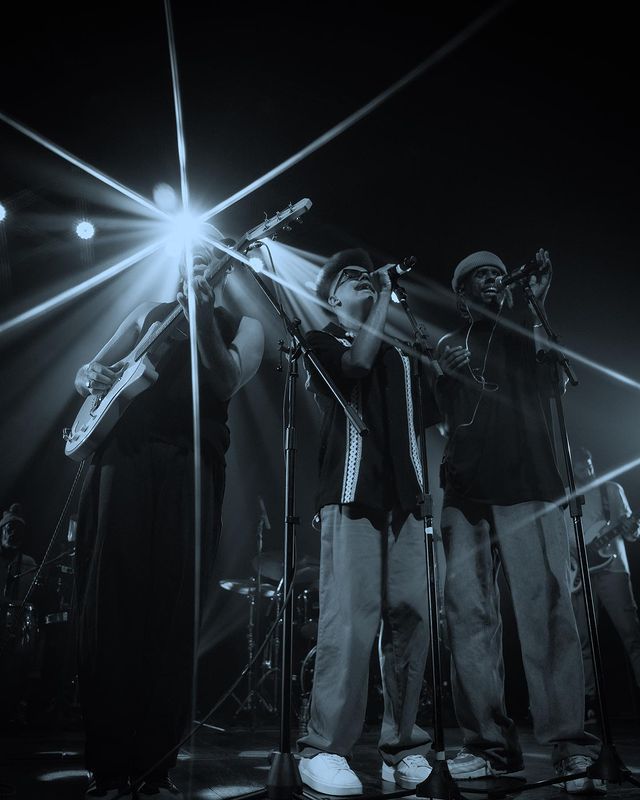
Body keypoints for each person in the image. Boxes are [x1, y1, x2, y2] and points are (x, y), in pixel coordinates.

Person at [74, 230, 264, 800]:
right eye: (191, 253)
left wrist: (203, 309)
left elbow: (225, 379)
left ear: (225, 268)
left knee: (172, 612)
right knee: (110, 608)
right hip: (120, 463)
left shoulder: (243, 325)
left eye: (208, 256)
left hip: (190, 465)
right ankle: (106, 767)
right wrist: (92, 378)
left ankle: (155, 767)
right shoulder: (146, 312)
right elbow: (87, 372)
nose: (197, 259)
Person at [434, 250, 602, 794]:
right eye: (477, 275)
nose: (490, 279)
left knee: (548, 608)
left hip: (531, 483)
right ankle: (486, 746)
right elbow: (440, 413)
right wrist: (443, 371)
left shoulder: (528, 327)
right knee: (469, 617)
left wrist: (539, 302)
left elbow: (555, 383)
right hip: (465, 491)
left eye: (494, 273)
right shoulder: (449, 341)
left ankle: (570, 747)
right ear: (461, 293)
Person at [297, 248, 440, 795]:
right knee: (351, 621)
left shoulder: (402, 357)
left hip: (405, 501)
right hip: (352, 494)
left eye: (369, 277)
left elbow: (423, 424)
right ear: (332, 295)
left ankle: (402, 748)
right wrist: (380, 298)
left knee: (411, 618)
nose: (366, 281)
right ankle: (324, 748)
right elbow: (356, 365)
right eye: (353, 278)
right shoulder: (322, 340)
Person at [569, 447, 640, 722]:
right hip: (578, 575)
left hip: (612, 569)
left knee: (631, 633)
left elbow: (633, 532)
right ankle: (590, 703)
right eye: (579, 467)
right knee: (583, 640)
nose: (586, 471)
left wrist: (632, 527)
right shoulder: (565, 496)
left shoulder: (612, 489)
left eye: (588, 465)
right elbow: (563, 539)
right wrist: (572, 563)